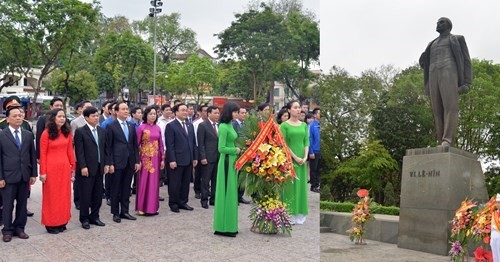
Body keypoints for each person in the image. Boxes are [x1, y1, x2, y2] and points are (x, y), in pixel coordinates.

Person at [419, 17, 472, 147]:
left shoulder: (457, 39)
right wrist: (422, 60)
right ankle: (441, 140)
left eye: (441, 22)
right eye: (437, 22)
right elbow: (424, 63)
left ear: (448, 25)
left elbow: (466, 61)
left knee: (450, 107)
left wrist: (467, 83)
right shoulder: (431, 43)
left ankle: (447, 139)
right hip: (433, 74)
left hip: (449, 72)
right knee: (437, 111)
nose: (437, 24)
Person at [0, 105, 37, 242]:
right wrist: (0, 177)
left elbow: (32, 155)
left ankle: (20, 228)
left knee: (22, 205)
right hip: (8, 177)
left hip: (24, 175)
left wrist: (33, 174)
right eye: (14, 116)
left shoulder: (27, 135)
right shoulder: (2, 135)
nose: (18, 118)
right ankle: (7, 230)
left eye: (20, 115)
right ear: (7, 119)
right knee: (8, 205)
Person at [39, 108, 76, 234]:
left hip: (64, 168)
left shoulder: (67, 132)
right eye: (59, 116)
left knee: (64, 196)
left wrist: (73, 166)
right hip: (51, 169)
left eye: (63, 117)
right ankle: (51, 223)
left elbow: (70, 150)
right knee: (51, 197)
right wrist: (42, 172)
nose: (62, 119)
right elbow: (42, 154)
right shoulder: (46, 133)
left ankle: (62, 221)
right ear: (53, 118)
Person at [105, 102, 140, 223]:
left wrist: (137, 161)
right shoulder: (111, 126)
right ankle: (115, 213)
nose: (126, 111)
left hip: (130, 161)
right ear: (116, 111)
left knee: (126, 188)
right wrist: (110, 163)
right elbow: (108, 147)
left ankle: (125, 211)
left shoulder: (131, 126)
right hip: (117, 162)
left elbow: (135, 145)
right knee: (116, 188)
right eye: (123, 109)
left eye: (127, 109)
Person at [74, 107, 108, 230]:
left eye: (96, 115)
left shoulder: (101, 131)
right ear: (86, 117)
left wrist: (106, 164)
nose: (95, 118)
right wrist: (83, 166)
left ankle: (95, 216)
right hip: (87, 168)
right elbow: (79, 151)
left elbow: (105, 149)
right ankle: (84, 218)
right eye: (93, 116)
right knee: (85, 195)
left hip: (99, 167)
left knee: (98, 194)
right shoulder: (81, 131)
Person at [280, 100, 310, 225]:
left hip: (302, 160)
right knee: (290, 187)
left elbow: (306, 141)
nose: (298, 110)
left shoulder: (303, 125)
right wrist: (295, 157)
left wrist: (305, 156)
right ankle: (289, 213)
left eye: (299, 108)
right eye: (295, 107)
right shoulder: (284, 126)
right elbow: (283, 143)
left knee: (301, 187)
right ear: (289, 110)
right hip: (289, 160)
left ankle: (300, 213)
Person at [214, 102, 241, 237]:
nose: (237, 114)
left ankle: (230, 225)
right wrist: (235, 150)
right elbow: (221, 148)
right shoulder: (223, 127)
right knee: (225, 193)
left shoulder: (231, 124)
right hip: (226, 161)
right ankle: (222, 226)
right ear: (229, 112)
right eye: (235, 112)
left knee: (231, 193)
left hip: (232, 162)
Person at [165, 103, 198, 213]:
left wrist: (195, 157)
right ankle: (173, 203)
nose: (185, 112)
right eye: (183, 110)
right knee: (175, 183)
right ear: (176, 112)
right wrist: (172, 160)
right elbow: (170, 145)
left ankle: (183, 201)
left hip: (188, 159)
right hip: (177, 159)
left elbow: (193, 143)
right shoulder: (171, 126)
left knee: (185, 183)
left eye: (186, 110)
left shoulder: (190, 125)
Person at [136, 106, 164, 216]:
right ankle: (141, 207)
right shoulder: (141, 128)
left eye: (154, 114)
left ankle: (152, 208)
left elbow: (161, 144)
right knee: (144, 183)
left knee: (154, 184)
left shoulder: (158, 128)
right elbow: (136, 145)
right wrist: (138, 159)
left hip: (156, 159)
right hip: (145, 159)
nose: (153, 116)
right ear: (146, 115)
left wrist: (162, 159)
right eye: (151, 114)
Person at [70, 100, 93, 210]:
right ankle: (78, 200)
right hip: (79, 154)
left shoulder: (94, 120)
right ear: (81, 109)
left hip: (91, 155)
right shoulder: (75, 122)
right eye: (87, 107)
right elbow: (73, 139)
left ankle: (88, 200)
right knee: (78, 180)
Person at [197, 106, 220, 209]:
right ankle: (204, 200)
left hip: (218, 157)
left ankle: (213, 199)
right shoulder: (203, 125)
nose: (217, 115)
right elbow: (200, 143)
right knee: (205, 180)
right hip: (207, 157)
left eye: (218, 113)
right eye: (215, 113)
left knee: (215, 180)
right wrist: (202, 157)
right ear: (209, 114)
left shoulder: (220, 125)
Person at [232, 107, 250, 204]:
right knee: (236, 175)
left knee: (243, 176)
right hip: (236, 153)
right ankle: (234, 196)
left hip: (246, 153)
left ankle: (240, 195)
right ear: (237, 114)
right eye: (242, 113)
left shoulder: (248, 124)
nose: (244, 114)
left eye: (245, 113)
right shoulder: (233, 124)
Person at [192, 104, 208, 199]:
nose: (206, 113)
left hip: (209, 150)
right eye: (204, 111)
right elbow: (195, 139)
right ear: (200, 112)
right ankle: (197, 190)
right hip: (198, 149)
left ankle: (206, 189)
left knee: (207, 172)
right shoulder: (196, 123)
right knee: (198, 172)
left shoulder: (213, 123)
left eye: (207, 111)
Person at [308, 108, 321, 193]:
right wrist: (311, 151)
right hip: (314, 151)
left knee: (319, 169)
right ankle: (314, 186)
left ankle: (318, 184)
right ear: (315, 115)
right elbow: (309, 139)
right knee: (314, 169)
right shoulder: (312, 126)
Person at [492, 193, 500, 261]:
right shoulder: (494, 213)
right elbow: (492, 227)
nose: (497, 204)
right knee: (495, 254)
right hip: (494, 236)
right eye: (497, 202)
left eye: (499, 202)